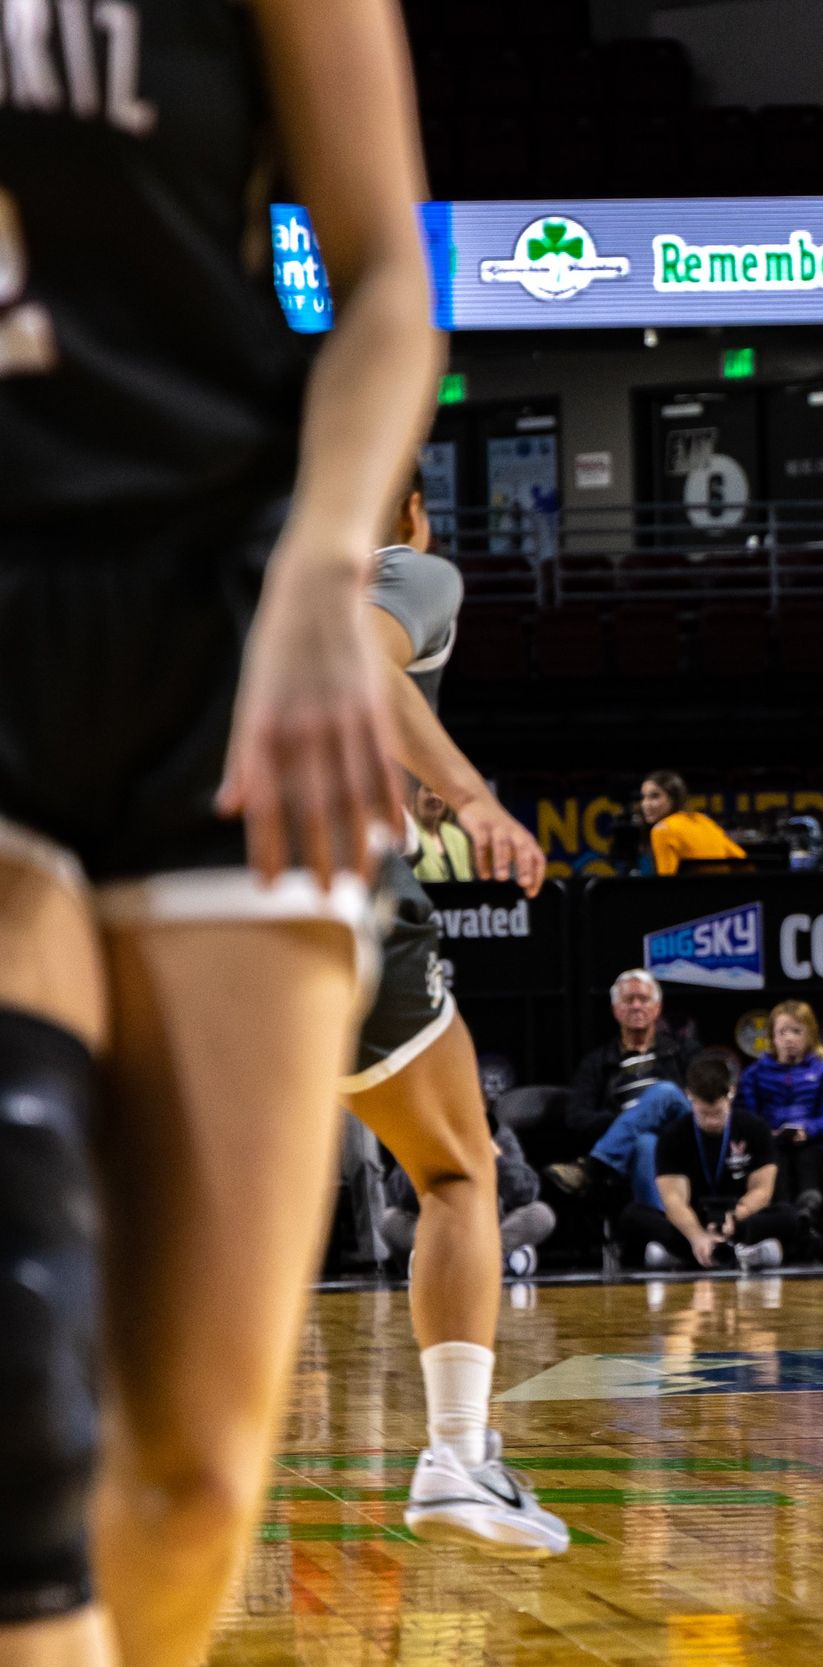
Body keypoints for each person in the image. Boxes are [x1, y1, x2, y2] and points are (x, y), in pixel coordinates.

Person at [0, 1, 440, 1659]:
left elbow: (388, 285)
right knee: (20, 1400)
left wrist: (330, 570)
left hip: (221, 632)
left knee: (189, 1479)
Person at [344, 479, 567, 1557]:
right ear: (415, 510)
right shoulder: (410, 571)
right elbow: (356, 657)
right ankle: (454, 1453)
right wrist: (471, 796)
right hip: (330, 882)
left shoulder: (203, 579)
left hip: (174, 898)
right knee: (455, 1171)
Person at [615, 1054, 805, 1270]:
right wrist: (697, 1236)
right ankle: (734, 1254)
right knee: (633, 1217)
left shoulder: (755, 1128)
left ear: (731, 1094)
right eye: (705, 1113)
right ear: (690, 1097)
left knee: (789, 1217)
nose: (712, 1121)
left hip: (739, 1217)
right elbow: (674, 1201)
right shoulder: (674, 1135)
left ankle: (689, 1255)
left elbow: (762, 1191)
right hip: (691, 1221)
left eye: (718, 1113)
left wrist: (735, 1218)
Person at [554, 969, 696, 1205]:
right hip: (634, 1146)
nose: (636, 1006)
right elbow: (577, 1118)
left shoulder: (684, 1051)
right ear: (615, 1010)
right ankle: (657, 1234)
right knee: (646, 1143)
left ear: (657, 1008)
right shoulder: (597, 1062)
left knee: (665, 1092)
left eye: (644, 999)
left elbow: (704, 1099)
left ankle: (593, 1166)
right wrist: (631, 1121)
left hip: (683, 1134)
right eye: (628, 1000)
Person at [380, 1119, 557, 1282]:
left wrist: (496, 1157)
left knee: (541, 1214)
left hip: (487, 1232)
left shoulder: (497, 1133)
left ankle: (446, 1265)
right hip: (437, 1232)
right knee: (388, 1219)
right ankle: (498, 1263)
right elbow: (399, 1197)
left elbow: (525, 1193)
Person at [740, 1000, 823, 1220]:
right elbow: (746, 1117)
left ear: (810, 1035)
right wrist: (767, 1133)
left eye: (796, 1031)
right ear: (772, 1037)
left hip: (810, 1143)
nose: (789, 1038)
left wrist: (809, 1130)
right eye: (782, 1032)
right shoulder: (754, 1073)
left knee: (809, 1155)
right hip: (771, 1144)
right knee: (777, 1163)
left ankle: (809, 1206)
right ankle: (783, 1214)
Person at [638, 771, 746, 875]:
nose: (645, 804)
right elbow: (743, 861)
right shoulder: (703, 819)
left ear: (673, 798)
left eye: (654, 796)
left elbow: (667, 883)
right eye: (643, 797)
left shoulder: (661, 829)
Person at [409, 782, 478, 882]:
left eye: (440, 791)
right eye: (428, 790)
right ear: (414, 796)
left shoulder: (457, 835)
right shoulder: (408, 837)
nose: (435, 796)